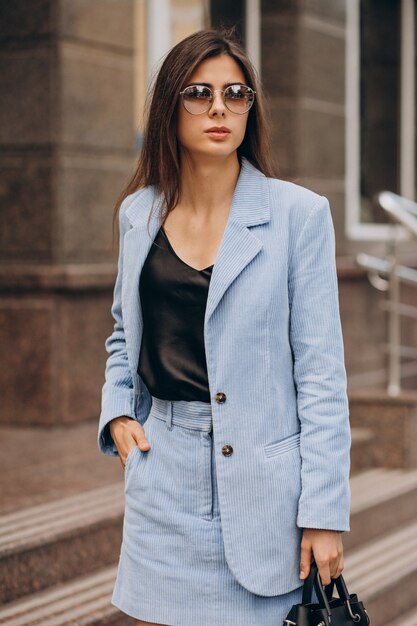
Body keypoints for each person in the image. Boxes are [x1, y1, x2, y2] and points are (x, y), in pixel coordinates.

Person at [97, 27, 351, 626]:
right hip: (164, 472)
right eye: (199, 92)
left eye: (236, 94)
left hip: (266, 491)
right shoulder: (139, 215)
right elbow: (121, 336)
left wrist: (324, 512)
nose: (219, 108)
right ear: (169, 107)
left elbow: (320, 374)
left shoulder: (299, 216)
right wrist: (117, 412)